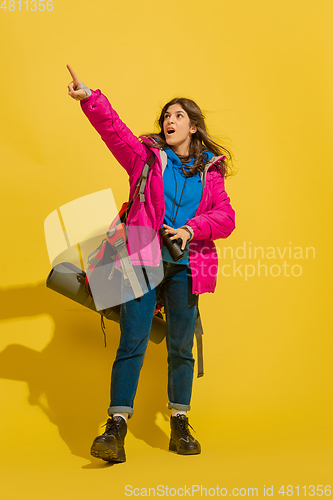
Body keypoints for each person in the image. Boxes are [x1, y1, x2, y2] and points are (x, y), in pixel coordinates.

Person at [66, 64, 236, 463]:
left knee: (180, 346)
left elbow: (226, 218)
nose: (169, 120)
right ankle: (116, 428)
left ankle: (179, 422)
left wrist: (192, 229)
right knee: (133, 342)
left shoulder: (210, 171)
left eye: (178, 115)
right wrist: (90, 99)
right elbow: (114, 129)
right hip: (142, 258)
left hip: (187, 264)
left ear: (194, 126)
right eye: (166, 115)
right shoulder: (145, 158)